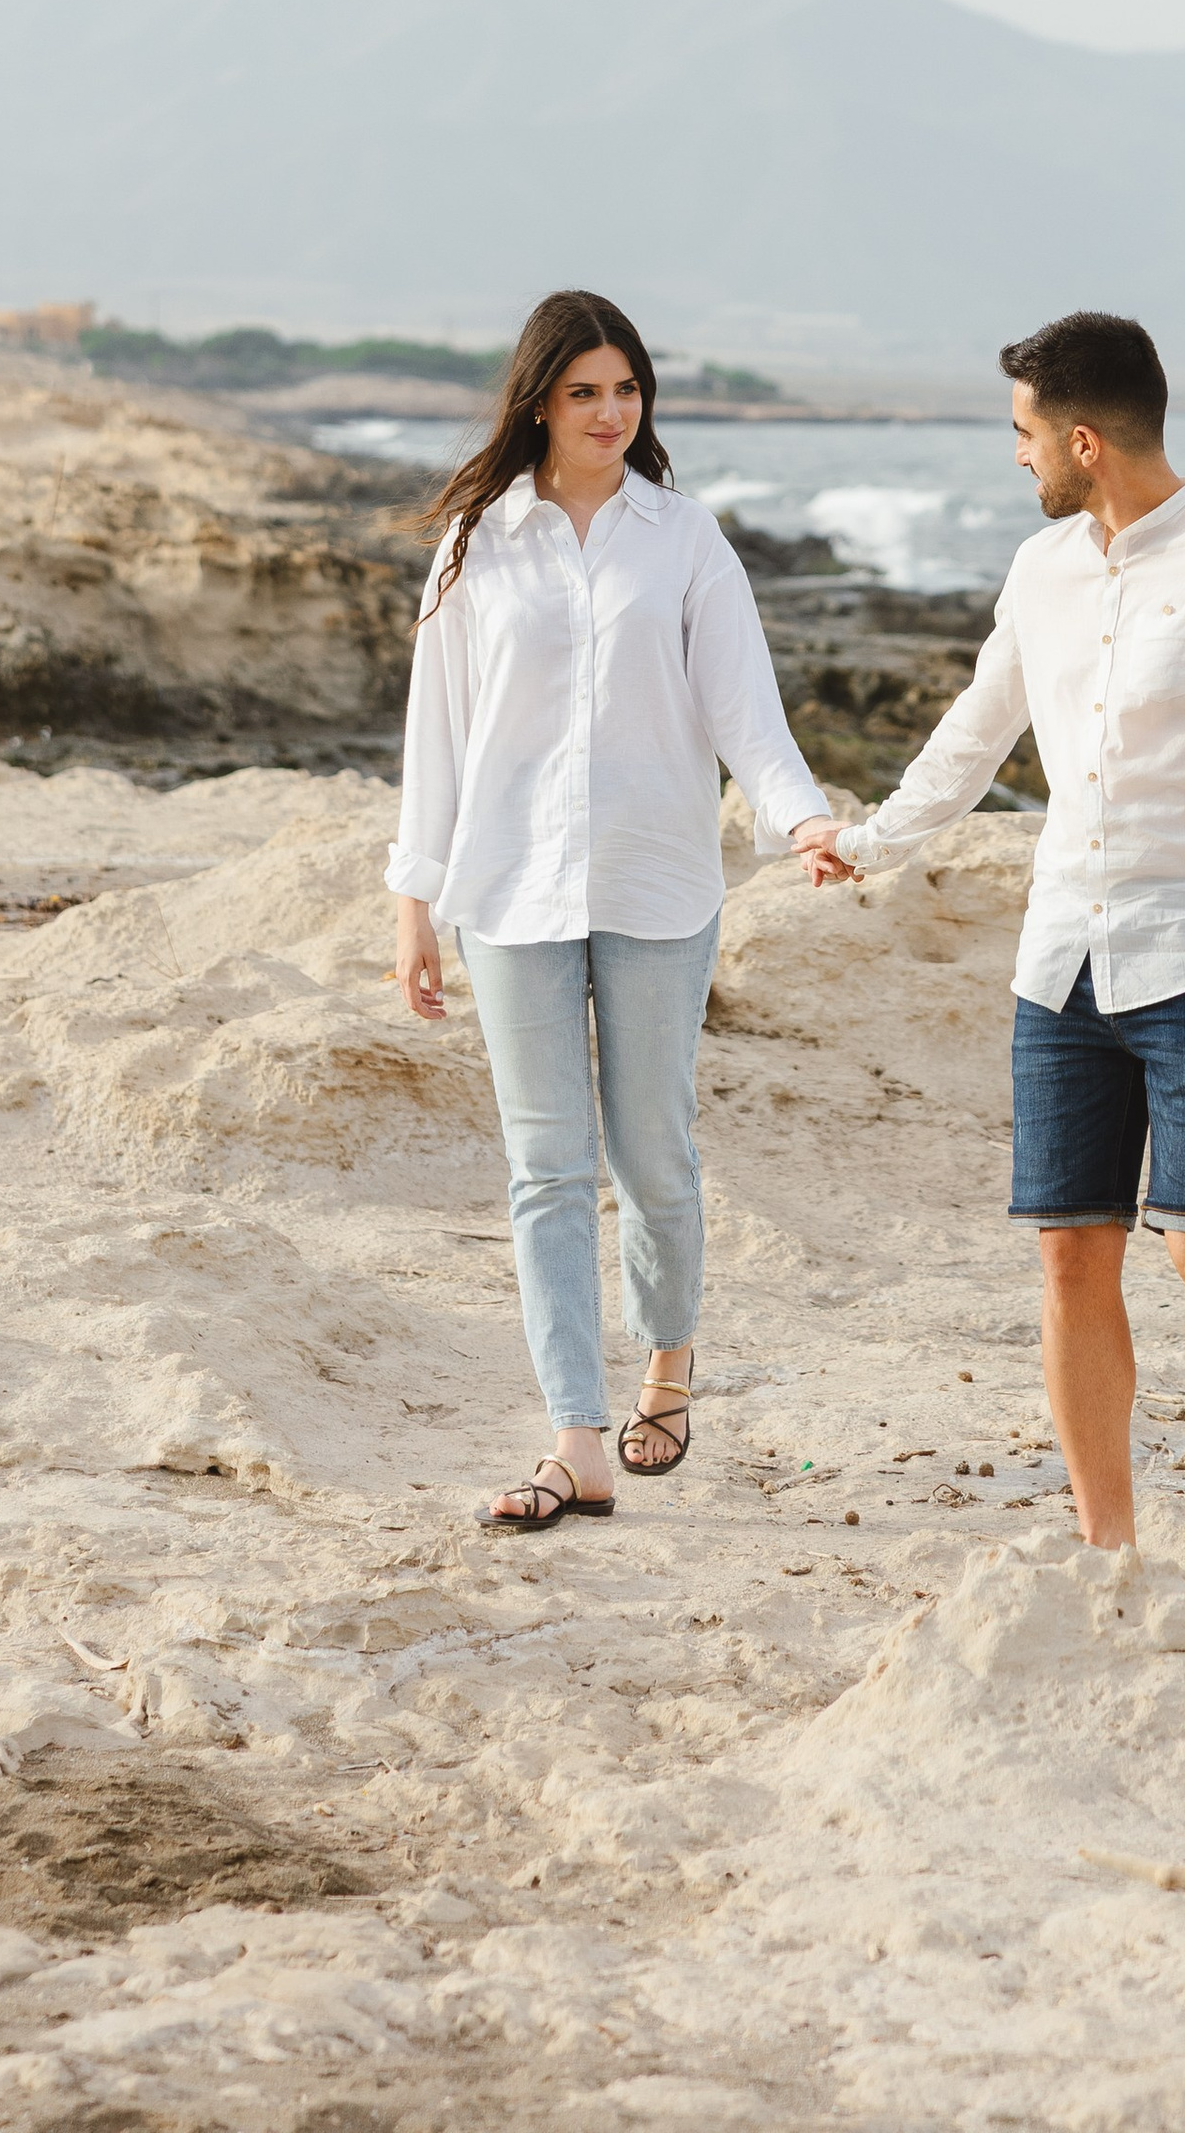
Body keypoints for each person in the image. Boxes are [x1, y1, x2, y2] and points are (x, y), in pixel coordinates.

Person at [791, 309, 1185, 1550]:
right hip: (1062, 960)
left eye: (1024, 433)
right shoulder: (1039, 572)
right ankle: (1110, 1546)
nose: (1018, 457)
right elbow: (975, 728)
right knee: (1069, 1257)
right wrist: (874, 839)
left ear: (1087, 441)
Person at [389, 288, 829, 1532]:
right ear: (539, 399)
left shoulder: (683, 538)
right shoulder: (479, 542)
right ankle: (575, 1438)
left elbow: (746, 710)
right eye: (585, 391)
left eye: (627, 389)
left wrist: (798, 820)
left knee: (653, 1157)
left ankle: (669, 1363)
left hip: (658, 880)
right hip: (509, 889)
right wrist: (413, 899)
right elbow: (440, 730)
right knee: (544, 1170)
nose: (610, 412)